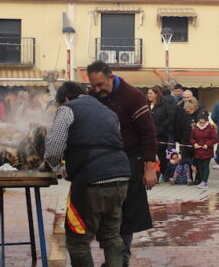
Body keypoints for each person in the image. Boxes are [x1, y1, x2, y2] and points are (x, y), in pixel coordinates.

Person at [44, 81, 130, 267]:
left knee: (78, 240)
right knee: (111, 235)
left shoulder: (67, 109)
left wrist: (50, 166)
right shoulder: (108, 111)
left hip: (92, 180)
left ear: (65, 99)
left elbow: (54, 149)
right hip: (121, 177)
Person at [86, 61, 156, 266]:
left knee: (126, 216)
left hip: (130, 161)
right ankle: (112, 260)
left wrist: (149, 167)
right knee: (106, 215)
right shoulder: (93, 96)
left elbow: (149, 133)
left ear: (110, 76)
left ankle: (120, 261)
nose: (97, 90)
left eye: (100, 85)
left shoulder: (133, 96)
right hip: (103, 162)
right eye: (93, 86)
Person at [147, 86, 172, 182]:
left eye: (151, 93)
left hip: (160, 135)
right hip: (149, 134)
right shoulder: (147, 105)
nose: (148, 95)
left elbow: (169, 118)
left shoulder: (163, 105)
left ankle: (163, 173)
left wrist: (161, 128)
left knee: (161, 155)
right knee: (150, 155)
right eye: (148, 93)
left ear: (156, 95)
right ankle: (152, 174)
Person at [190, 112, 217, 188]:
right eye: (200, 122)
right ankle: (201, 180)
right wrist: (194, 143)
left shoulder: (210, 128)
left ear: (206, 121)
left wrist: (207, 144)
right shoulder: (195, 128)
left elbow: (214, 138)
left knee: (205, 166)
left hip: (207, 150)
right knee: (200, 166)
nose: (201, 124)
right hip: (198, 150)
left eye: (203, 123)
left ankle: (204, 181)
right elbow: (192, 138)